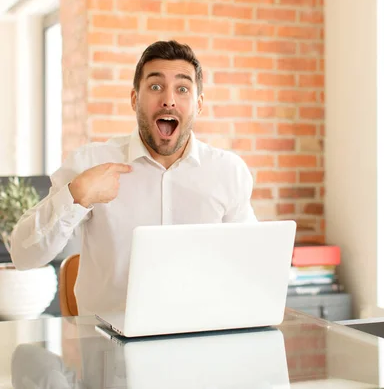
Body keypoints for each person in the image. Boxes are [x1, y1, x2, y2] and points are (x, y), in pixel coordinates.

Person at [9, 40, 257, 316]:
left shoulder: (228, 172)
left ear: (198, 105)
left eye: (183, 88)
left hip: (200, 339)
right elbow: (23, 255)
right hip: (108, 348)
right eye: (155, 86)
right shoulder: (91, 163)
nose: (169, 99)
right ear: (134, 99)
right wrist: (75, 195)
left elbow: (251, 267)